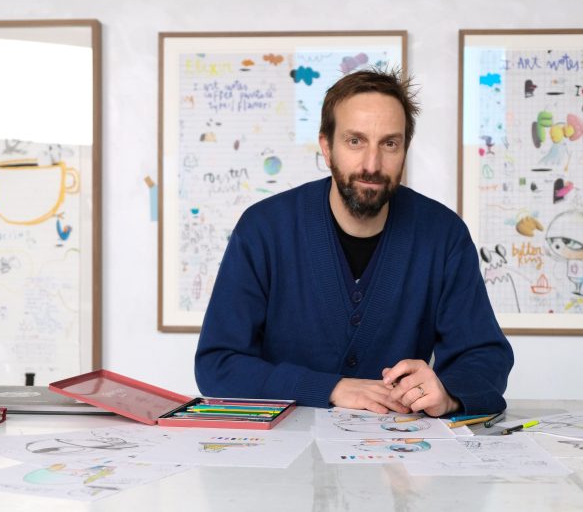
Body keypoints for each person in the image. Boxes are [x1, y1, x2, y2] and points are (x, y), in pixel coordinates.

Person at [194, 69, 513, 417]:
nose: (372, 165)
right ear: (327, 147)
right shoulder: (263, 229)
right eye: (355, 141)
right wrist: (331, 388)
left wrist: (449, 393)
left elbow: (486, 356)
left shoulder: (444, 235)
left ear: (405, 149)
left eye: (389, 144)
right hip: (282, 444)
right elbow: (217, 364)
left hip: (400, 446)